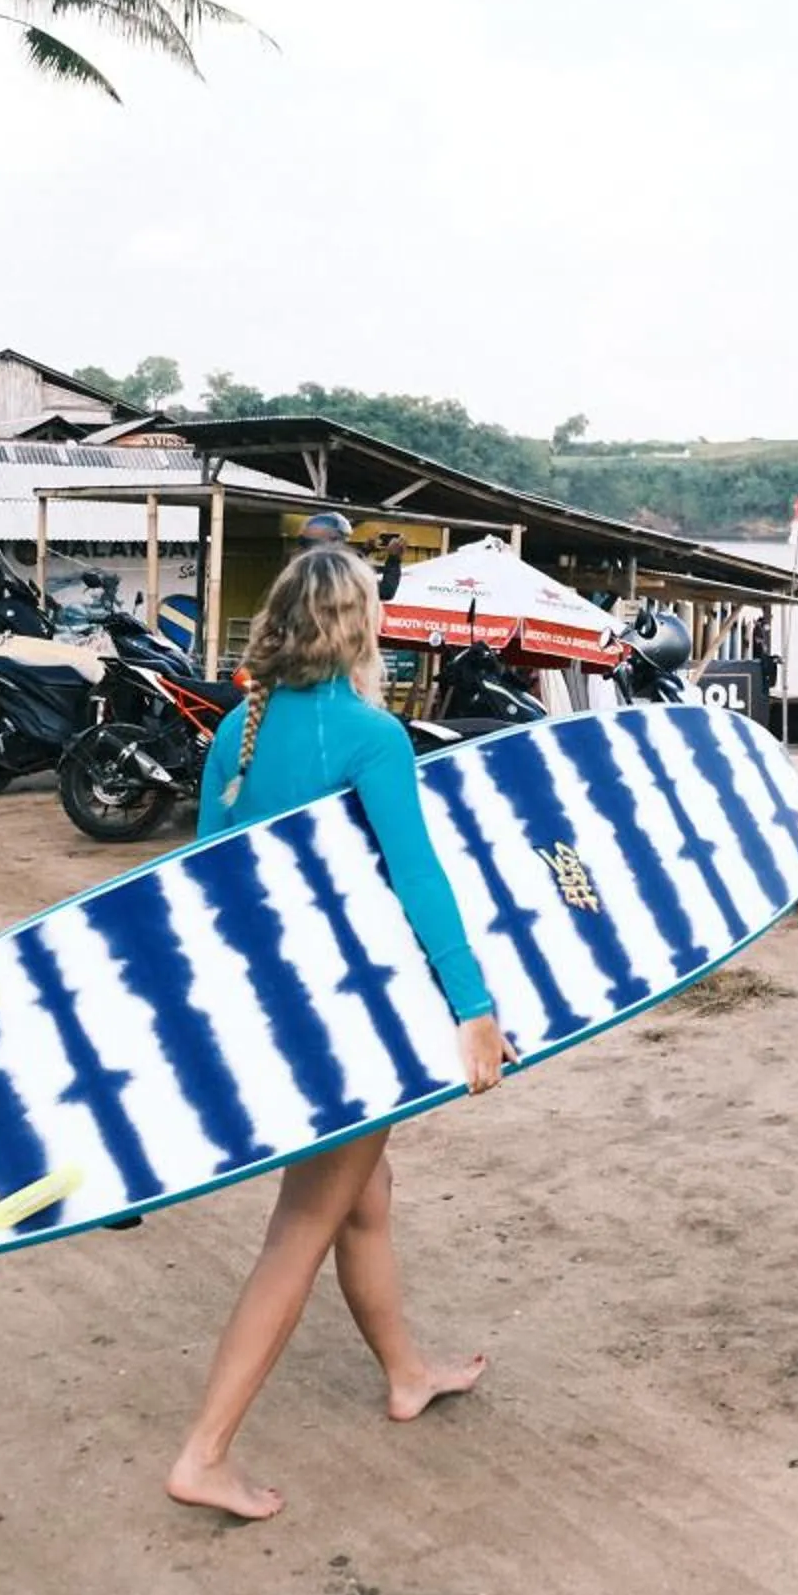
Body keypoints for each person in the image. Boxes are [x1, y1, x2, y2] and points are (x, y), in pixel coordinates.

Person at [166, 545, 512, 1522]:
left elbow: (204, 885)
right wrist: (473, 1004)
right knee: (303, 1225)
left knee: (366, 1194)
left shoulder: (241, 725)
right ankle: (206, 1450)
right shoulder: (371, 735)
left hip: (273, 1007)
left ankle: (407, 1370)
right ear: (362, 628)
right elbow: (421, 879)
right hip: (345, 1019)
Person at [298, 511, 405, 601]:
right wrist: (394, 559)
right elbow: (386, 591)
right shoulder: (334, 575)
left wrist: (365, 550)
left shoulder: (301, 568)